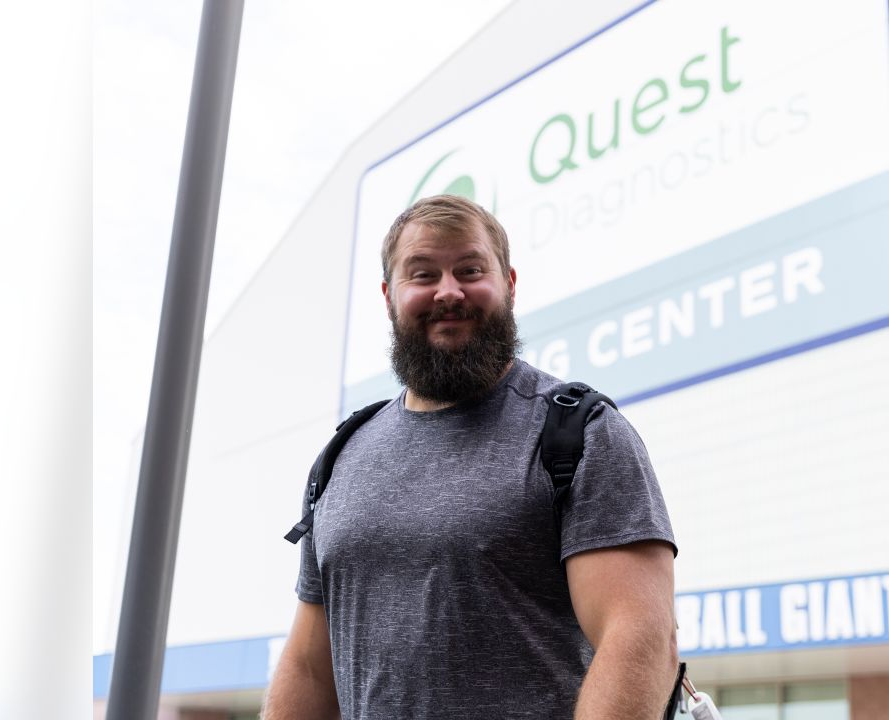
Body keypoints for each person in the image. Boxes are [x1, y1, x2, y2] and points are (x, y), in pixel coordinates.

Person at [263, 195, 679, 719]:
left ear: (508, 283)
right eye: (423, 274)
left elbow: (640, 636)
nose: (449, 291)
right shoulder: (343, 455)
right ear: (390, 296)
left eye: (470, 269)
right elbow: (308, 667)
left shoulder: (579, 433)